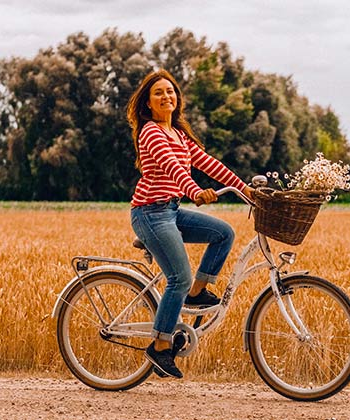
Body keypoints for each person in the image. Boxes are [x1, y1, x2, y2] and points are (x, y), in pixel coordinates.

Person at [126, 69, 254, 379]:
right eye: (158, 93)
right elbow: (172, 167)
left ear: (177, 98)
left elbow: (207, 162)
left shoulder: (179, 134)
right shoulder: (150, 132)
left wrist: (244, 188)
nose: (166, 96)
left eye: (170, 91)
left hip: (171, 210)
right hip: (150, 213)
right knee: (178, 278)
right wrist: (193, 190)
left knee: (223, 233)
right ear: (148, 103)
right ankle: (159, 347)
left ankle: (198, 292)